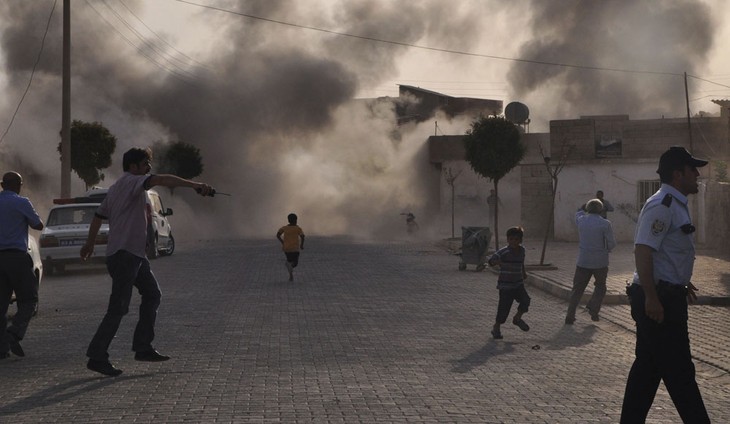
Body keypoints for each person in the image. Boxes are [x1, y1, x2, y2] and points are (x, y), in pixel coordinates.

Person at [81, 147, 213, 377]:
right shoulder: (133, 182)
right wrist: (195, 185)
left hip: (132, 256)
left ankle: (143, 347)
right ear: (133, 167)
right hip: (125, 256)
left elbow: (98, 217)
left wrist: (89, 244)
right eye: (145, 164)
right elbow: (162, 179)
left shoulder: (115, 189)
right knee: (118, 309)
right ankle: (97, 356)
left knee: (152, 294)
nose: (148, 169)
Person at [620, 146, 711, 423]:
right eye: (692, 169)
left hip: (666, 295)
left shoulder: (677, 204)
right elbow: (643, 251)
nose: (697, 174)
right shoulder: (663, 206)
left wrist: (682, 280)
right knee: (681, 374)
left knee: (646, 373)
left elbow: (667, 253)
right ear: (677, 174)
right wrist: (651, 297)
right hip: (659, 302)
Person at [0, 172, 44, 359]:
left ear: (2, 185)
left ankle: (2, 349)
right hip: (17, 257)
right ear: (18, 185)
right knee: (29, 299)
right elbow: (38, 225)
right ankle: (14, 332)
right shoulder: (22, 202)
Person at [565, 198, 616, 324]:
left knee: (577, 289)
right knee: (600, 286)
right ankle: (594, 309)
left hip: (583, 260)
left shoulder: (581, 220)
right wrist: (606, 249)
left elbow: (578, 213)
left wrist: (583, 208)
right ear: (601, 210)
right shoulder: (605, 224)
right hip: (600, 261)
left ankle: (570, 315)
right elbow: (612, 243)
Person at [487, 226, 530, 339]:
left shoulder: (522, 250)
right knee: (504, 308)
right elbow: (491, 261)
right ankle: (496, 327)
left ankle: (517, 318)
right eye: (511, 239)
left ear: (520, 240)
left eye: (516, 239)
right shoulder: (503, 251)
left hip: (518, 283)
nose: (513, 242)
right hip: (505, 285)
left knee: (526, 300)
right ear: (508, 240)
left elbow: (521, 263)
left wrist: (523, 273)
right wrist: (497, 262)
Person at [276, 213, 305, 282]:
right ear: (296, 220)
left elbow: (278, 235)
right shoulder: (298, 228)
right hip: (295, 248)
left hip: (286, 248)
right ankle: (290, 267)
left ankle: (291, 276)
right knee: (295, 263)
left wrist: (282, 242)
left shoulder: (284, 228)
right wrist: (301, 245)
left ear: (288, 220)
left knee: (289, 261)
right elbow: (303, 236)